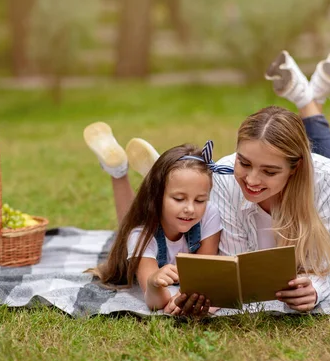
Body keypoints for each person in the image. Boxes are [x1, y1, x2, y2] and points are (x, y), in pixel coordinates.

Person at [91, 50, 330, 315]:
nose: (252, 181)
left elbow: (327, 263)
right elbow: (232, 262)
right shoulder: (223, 176)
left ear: (295, 169)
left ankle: (306, 100)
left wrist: (314, 287)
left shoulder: (328, 179)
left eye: (269, 172)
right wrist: (207, 296)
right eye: (244, 163)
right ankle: (310, 96)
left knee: (325, 158)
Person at [83, 126, 229, 315]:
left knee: (174, 188)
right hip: (143, 231)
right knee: (128, 225)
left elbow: (203, 272)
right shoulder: (141, 236)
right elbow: (154, 303)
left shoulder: (210, 213)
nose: (191, 209)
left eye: (200, 200)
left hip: (160, 205)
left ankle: (161, 173)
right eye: (179, 199)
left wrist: (182, 296)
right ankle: (117, 170)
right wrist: (153, 283)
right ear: (157, 197)